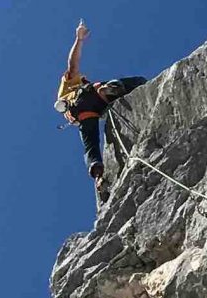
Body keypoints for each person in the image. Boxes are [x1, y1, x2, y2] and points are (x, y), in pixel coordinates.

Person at [55, 21, 149, 203]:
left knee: (90, 143)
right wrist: (79, 39)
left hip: (84, 114)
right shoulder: (68, 87)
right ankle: (109, 90)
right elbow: (72, 65)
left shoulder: (68, 100)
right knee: (135, 81)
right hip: (88, 98)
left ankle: (98, 173)